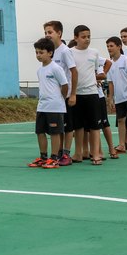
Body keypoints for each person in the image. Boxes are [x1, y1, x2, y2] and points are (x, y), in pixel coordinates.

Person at [28, 37, 68, 169]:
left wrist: (60, 99)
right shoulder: (40, 70)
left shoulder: (56, 68)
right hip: (42, 106)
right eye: (36, 52)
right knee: (40, 132)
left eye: (41, 52)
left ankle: (54, 158)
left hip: (55, 107)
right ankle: (43, 157)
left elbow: (65, 85)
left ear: (50, 53)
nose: (38, 55)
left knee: (55, 132)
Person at [43, 21, 78, 166]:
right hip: (55, 97)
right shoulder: (50, 51)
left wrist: (73, 94)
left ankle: (66, 154)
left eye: (50, 32)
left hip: (66, 95)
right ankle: (58, 153)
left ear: (59, 33)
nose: (47, 35)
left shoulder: (65, 51)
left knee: (68, 126)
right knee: (59, 127)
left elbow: (74, 72)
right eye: (45, 32)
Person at [69, 25, 103, 165]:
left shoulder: (94, 53)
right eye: (83, 37)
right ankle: (78, 154)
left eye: (89, 36)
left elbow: (94, 71)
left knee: (94, 126)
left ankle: (95, 154)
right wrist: (72, 94)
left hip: (92, 93)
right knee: (78, 126)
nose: (87, 39)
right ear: (76, 38)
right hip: (76, 94)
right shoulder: (69, 53)